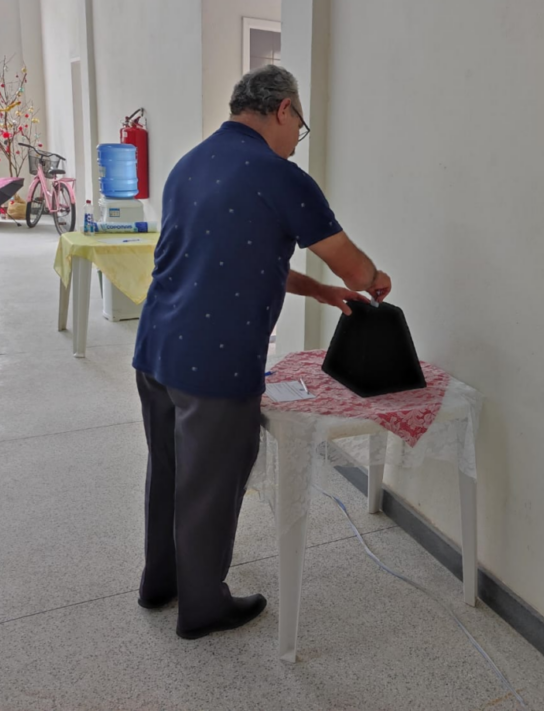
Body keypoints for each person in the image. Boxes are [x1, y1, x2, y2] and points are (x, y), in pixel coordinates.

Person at [131, 65, 392, 640]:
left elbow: (238, 254)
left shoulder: (191, 163)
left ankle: (161, 582)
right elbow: (355, 267)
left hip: (156, 347)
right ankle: (203, 606)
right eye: (299, 124)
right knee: (210, 485)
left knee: (168, 470)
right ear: (283, 109)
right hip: (214, 362)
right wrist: (374, 279)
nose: (297, 138)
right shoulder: (280, 176)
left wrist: (318, 290)